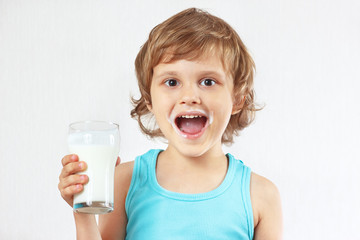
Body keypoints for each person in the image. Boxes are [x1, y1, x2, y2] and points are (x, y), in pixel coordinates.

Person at [58, 7, 282, 240]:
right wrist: (82, 210)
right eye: (172, 81)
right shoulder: (124, 182)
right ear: (149, 99)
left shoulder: (261, 196)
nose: (189, 95)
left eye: (207, 81)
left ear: (237, 99)